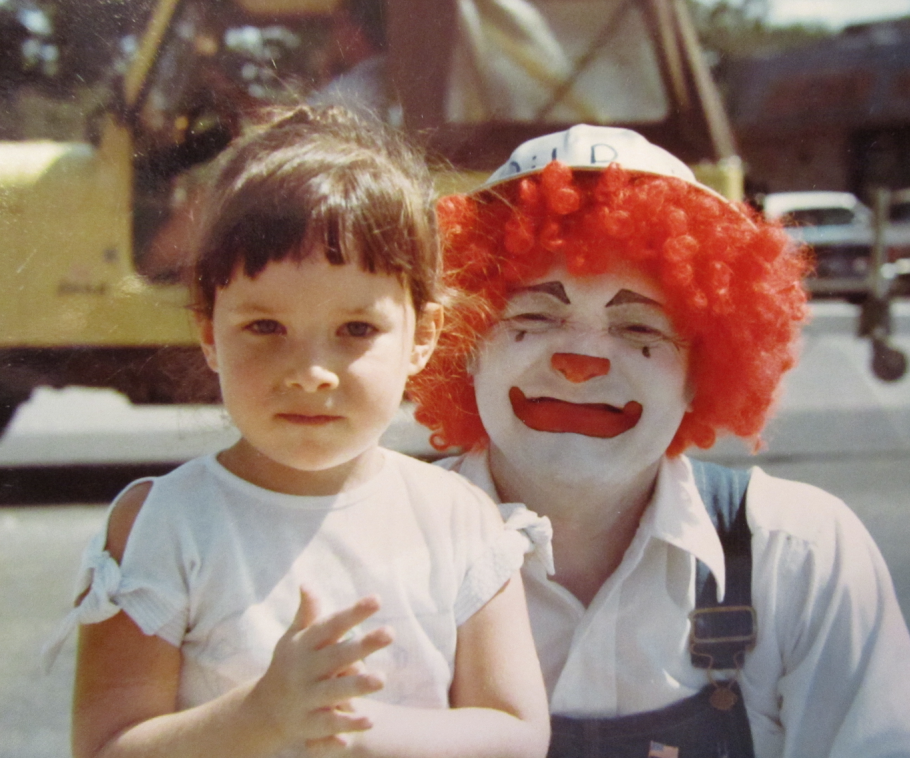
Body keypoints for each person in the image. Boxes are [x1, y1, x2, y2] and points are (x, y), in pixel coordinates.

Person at [409, 125, 910, 758]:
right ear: (463, 343)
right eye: (534, 316)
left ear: (702, 372)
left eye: (639, 327)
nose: (580, 363)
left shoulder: (797, 557)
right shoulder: (372, 544)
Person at [44, 106, 550, 758]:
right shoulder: (163, 525)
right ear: (209, 333)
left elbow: (518, 733)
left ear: (422, 336)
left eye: (356, 329)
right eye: (265, 327)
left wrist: (354, 727)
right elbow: (104, 746)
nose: (310, 373)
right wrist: (261, 717)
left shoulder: (461, 521)